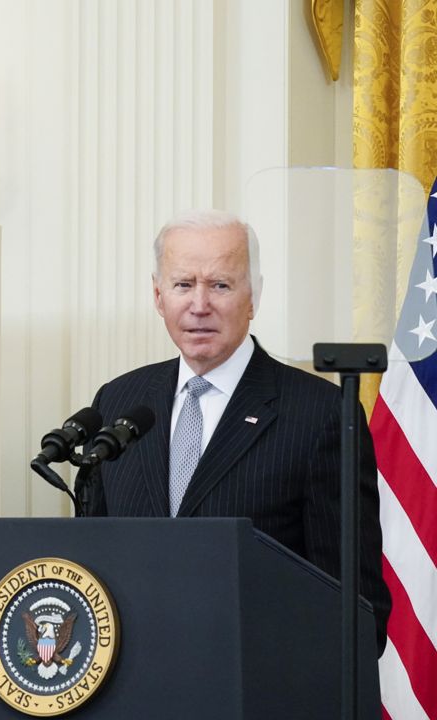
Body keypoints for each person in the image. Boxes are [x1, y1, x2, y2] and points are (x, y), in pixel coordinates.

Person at [85, 209, 391, 651]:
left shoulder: (319, 414)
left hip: (257, 685)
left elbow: (355, 609)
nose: (199, 305)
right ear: (158, 295)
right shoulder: (118, 401)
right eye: (183, 284)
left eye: (220, 285)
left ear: (254, 297)